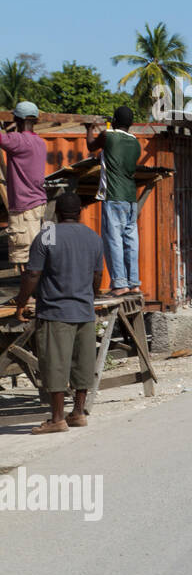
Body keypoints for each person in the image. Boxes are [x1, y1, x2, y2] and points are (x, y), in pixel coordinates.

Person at [15, 193, 103, 434]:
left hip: (56, 311)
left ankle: (56, 418)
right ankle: (77, 413)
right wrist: (90, 297)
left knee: (55, 364)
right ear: (80, 212)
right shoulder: (92, 236)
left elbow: (33, 274)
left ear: (57, 213)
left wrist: (21, 303)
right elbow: (98, 276)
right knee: (82, 363)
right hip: (84, 311)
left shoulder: (48, 235)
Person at [86, 105, 141, 296]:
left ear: (115, 121)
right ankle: (134, 283)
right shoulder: (136, 142)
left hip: (113, 196)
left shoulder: (108, 136)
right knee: (131, 241)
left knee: (113, 240)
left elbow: (91, 146)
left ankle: (119, 284)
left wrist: (89, 128)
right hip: (131, 198)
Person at [1, 101, 49, 271]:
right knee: (41, 253)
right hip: (40, 206)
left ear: (17, 119)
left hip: (24, 209)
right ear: (35, 121)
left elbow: (6, 139)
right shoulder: (40, 143)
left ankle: (27, 297)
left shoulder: (17, 140)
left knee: (25, 259)